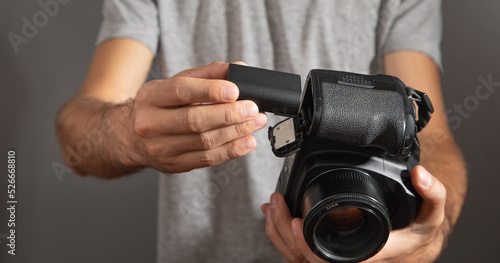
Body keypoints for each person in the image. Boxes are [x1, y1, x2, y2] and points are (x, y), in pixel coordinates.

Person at [56, 0, 467, 262]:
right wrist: (128, 133)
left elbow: (431, 138)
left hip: (366, 246)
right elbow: (79, 134)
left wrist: (427, 235)